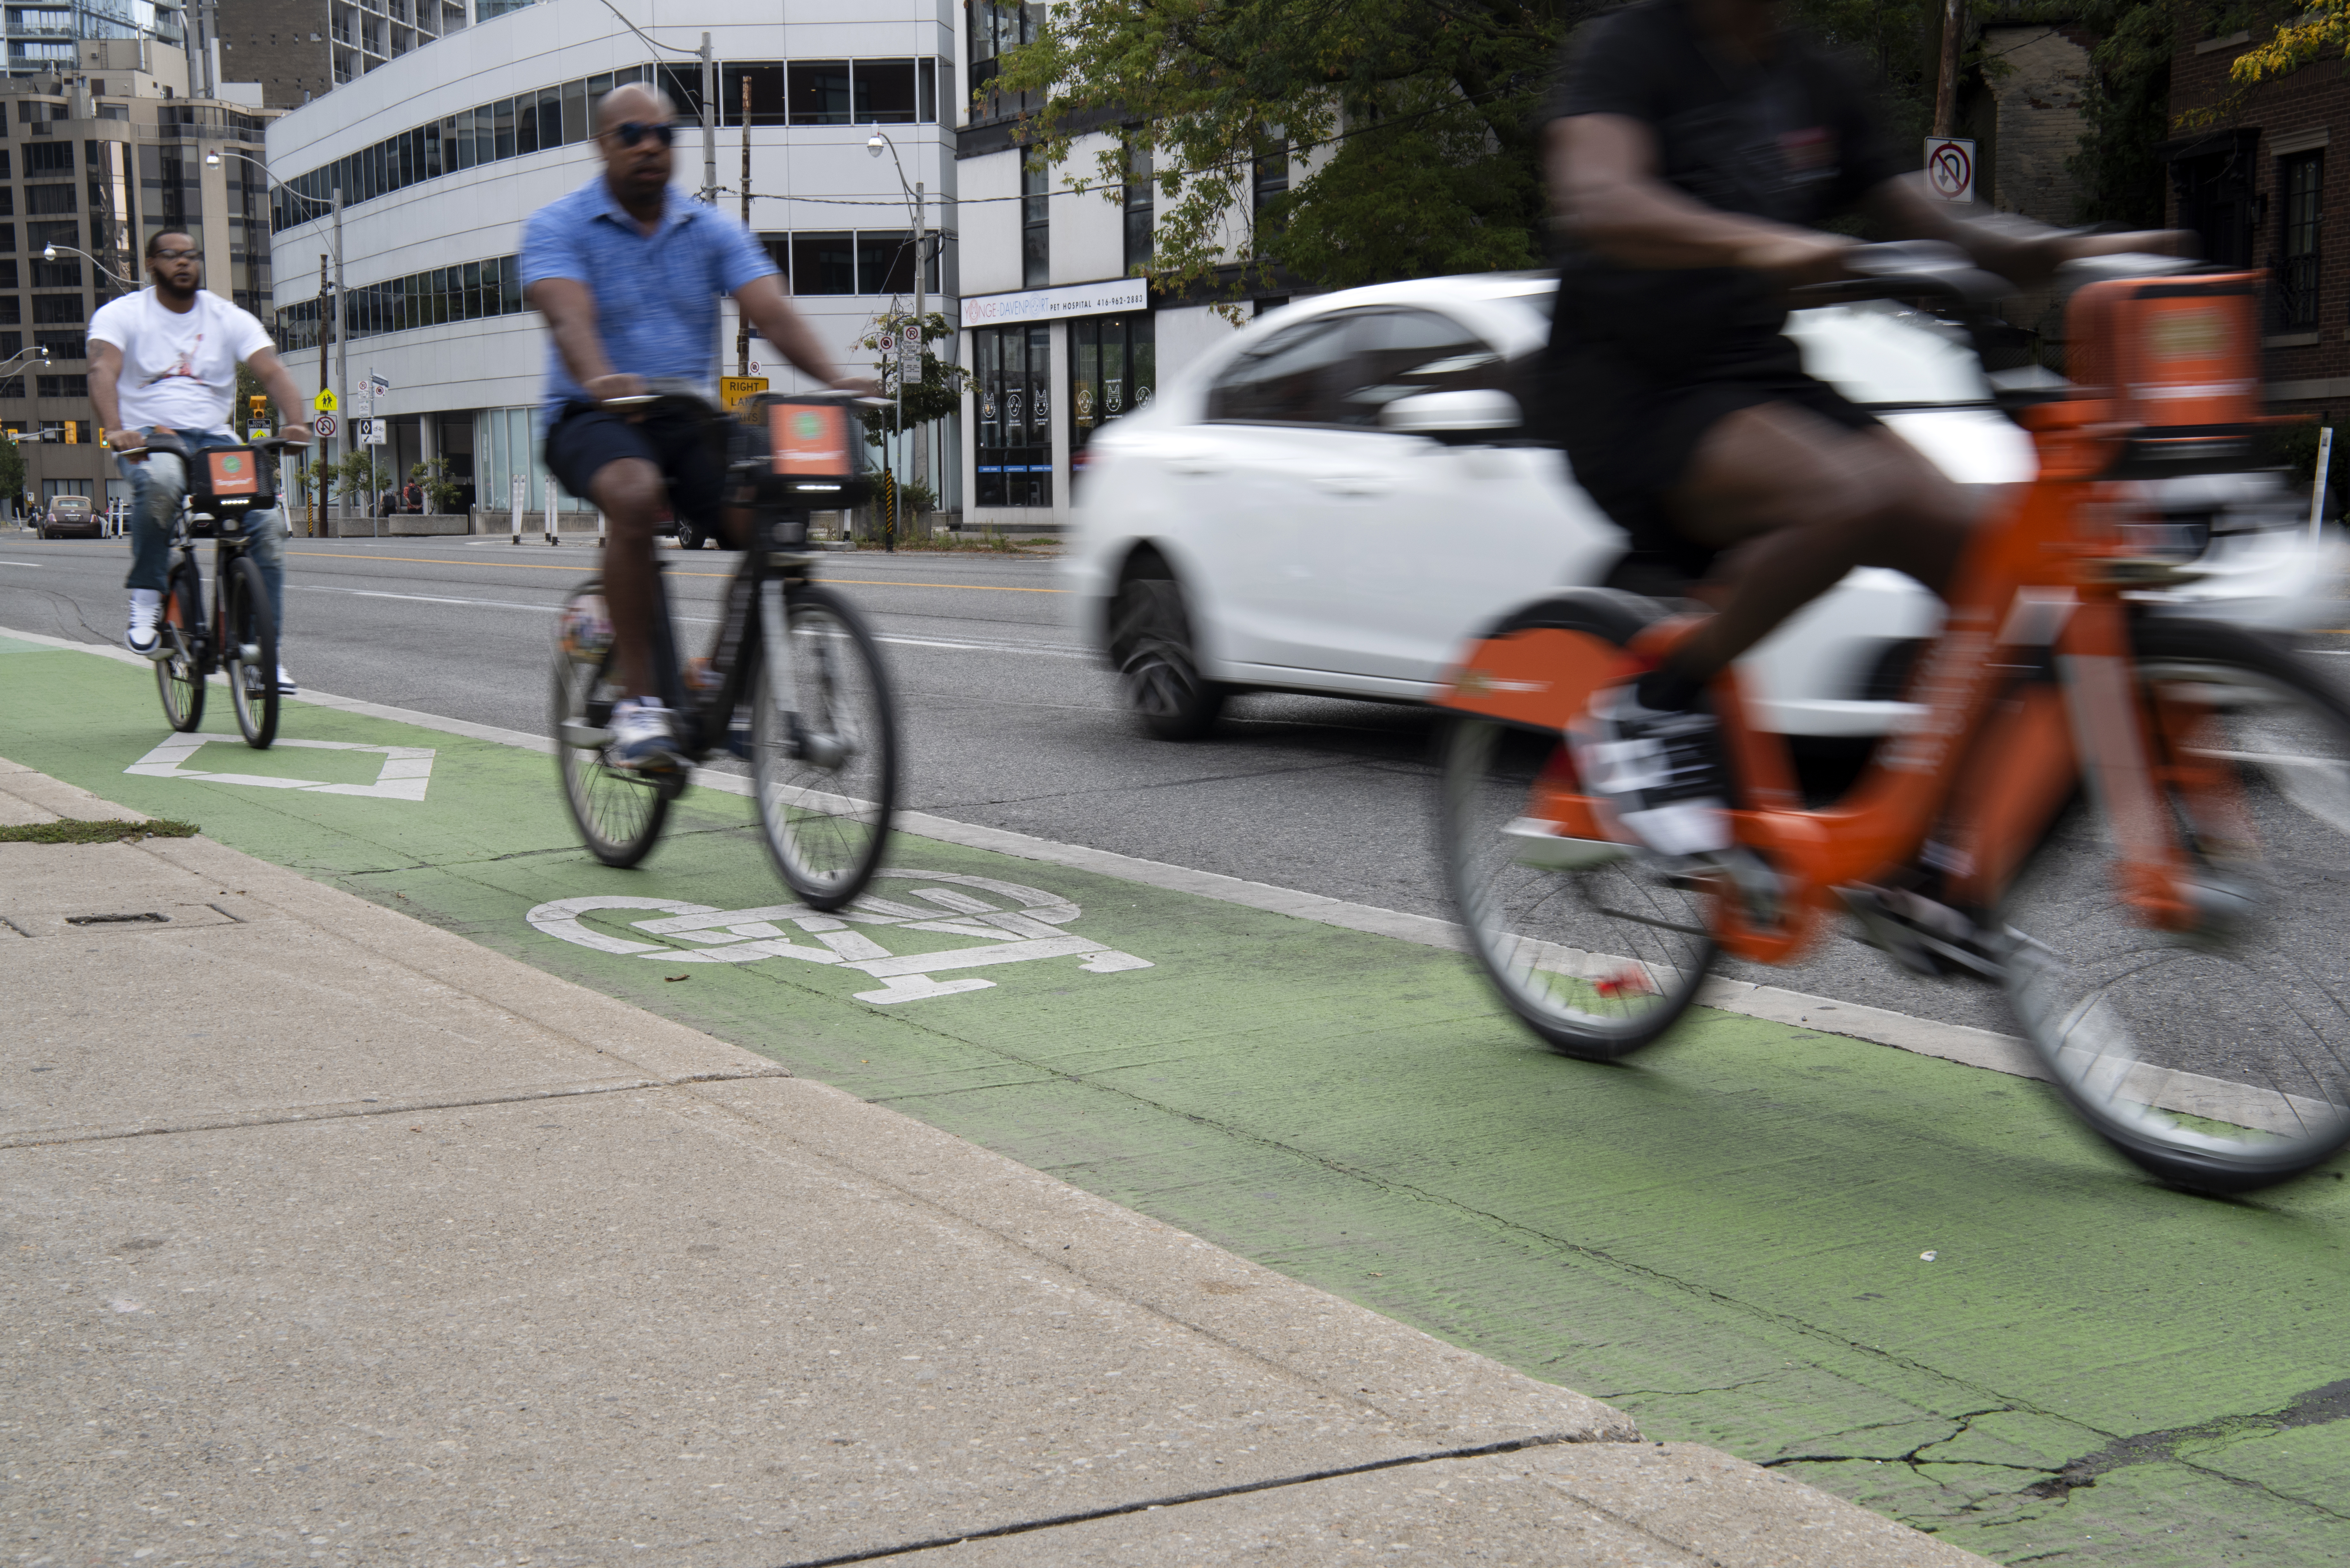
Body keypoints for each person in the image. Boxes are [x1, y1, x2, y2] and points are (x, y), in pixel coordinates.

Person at [1543, 0, 2180, 856]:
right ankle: (1657, 703)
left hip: (1758, 381)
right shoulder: (1633, 46)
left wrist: (2051, 247)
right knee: (1848, 498)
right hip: (1627, 389)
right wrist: (1751, 243)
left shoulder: (1815, 80)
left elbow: (1935, 218)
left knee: (1994, 567)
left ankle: (1931, 859)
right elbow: (1599, 199)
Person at [521, 81, 874, 770]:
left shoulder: (710, 230)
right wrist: (599, 376)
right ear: (602, 145)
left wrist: (835, 378)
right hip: (591, 417)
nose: (649, 145)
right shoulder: (557, 227)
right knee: (632, 491)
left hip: (687, 421)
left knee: (777, 517)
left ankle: (715, 679)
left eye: (663, 134)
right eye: (631, 135)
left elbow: (770, 312)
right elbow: (569, 318)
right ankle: (638, 705)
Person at [92, 230, 313, 689]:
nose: (184, 263)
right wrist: (116, 428)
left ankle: (258, 656)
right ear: (152, 263)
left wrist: (297, 422)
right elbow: (102, 370)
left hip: (216, 441)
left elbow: (271, 369)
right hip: (151, 437)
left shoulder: (225, 316)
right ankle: (148, 597)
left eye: (192, 255)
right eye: (172, 256)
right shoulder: (123, 315)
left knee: (268, 528)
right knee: (162, 484)